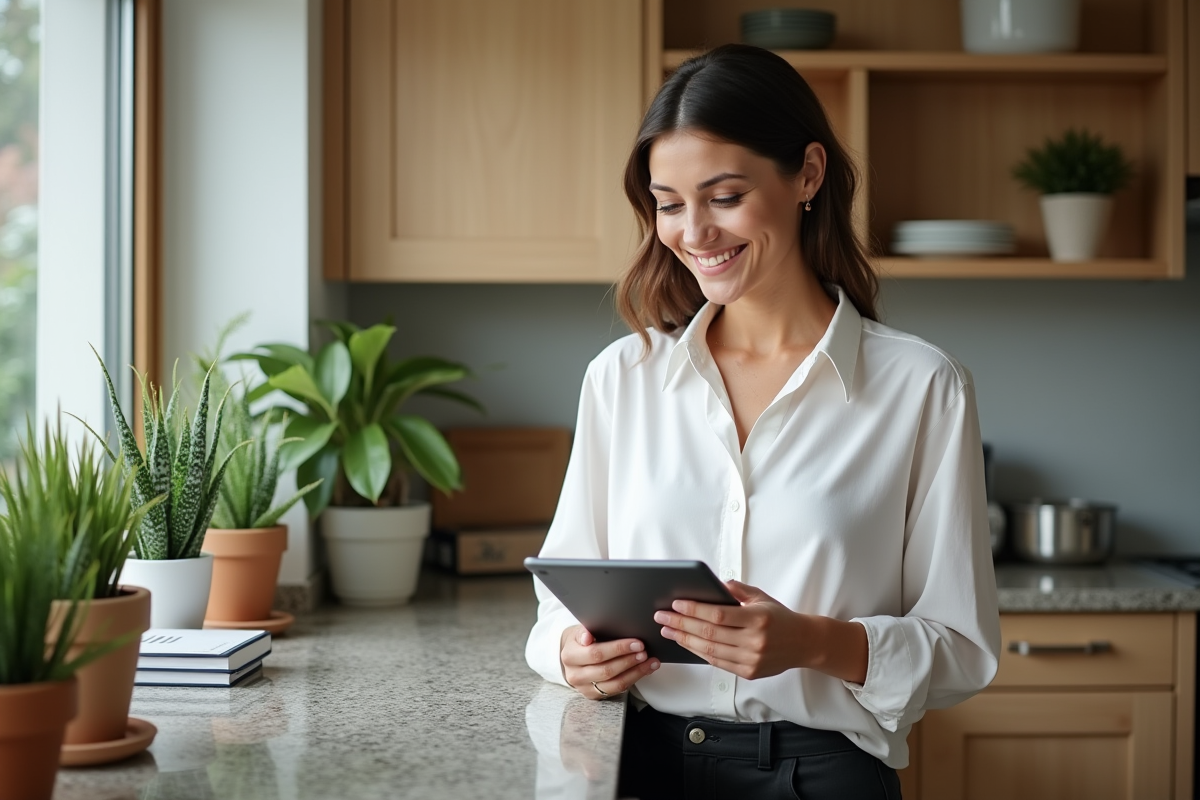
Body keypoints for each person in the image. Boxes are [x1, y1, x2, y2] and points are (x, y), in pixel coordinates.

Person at [524, 44, 1000, 800]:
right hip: (639, 763)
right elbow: (560, 602)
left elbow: (962, 650)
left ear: (807, 175)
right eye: (669, 204)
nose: (694, 232)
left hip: (824, 774)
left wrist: (813, 641)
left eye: (724, 196)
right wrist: (569, 653)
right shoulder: (623, 377)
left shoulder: (922, 386)